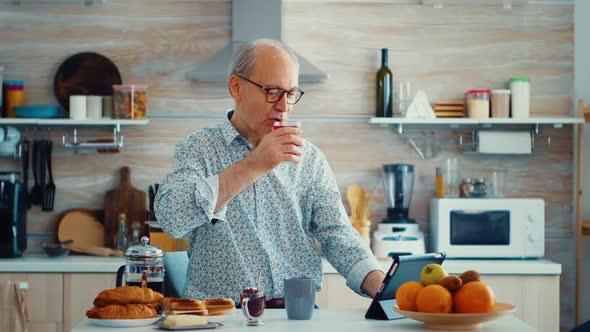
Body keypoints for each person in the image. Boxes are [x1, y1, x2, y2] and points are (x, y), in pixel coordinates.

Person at [155, 38, 385, 306]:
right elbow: (171, 217)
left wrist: (383, 286)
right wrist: (255, 164)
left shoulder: (308, 158)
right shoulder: (199, 149)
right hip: (224, 318)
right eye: (273, 91)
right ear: (236, 87)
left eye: (291, 93)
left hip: (297, 314)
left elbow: (336, 233)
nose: (284, 106)